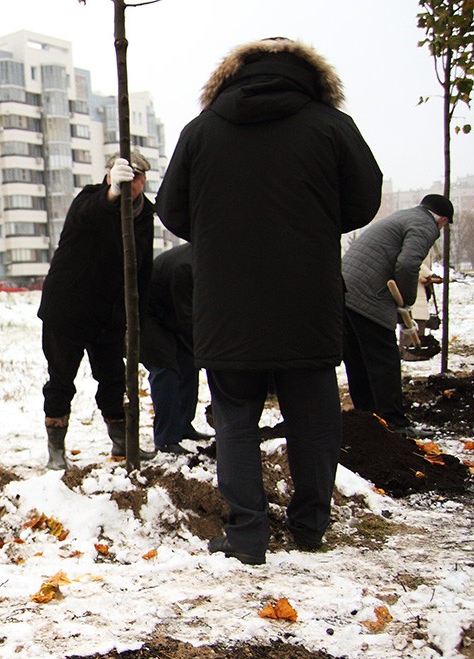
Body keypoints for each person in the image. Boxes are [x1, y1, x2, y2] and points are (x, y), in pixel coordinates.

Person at [157, 37, 383, 565]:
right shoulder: (331, 125)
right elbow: (364, 199)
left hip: (227, 306)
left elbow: (172, 210)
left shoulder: (202, 131)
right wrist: (316, 220)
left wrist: (218, 231)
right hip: (308, 299)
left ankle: (247, 533)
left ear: (232, 77)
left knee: (234, 417)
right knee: (314, 416)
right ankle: (309, 527)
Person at [37, 150, 156, 470]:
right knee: (61, 379)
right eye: (126, 179)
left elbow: (143, 269)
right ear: (111, 175)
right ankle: (56, 448)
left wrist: (138, 320)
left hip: (110, 313)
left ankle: (121, 440)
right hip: (69, 308)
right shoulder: (90, 200)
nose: (133, 185)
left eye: (138, 179)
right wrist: (111, 193)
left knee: (113, 377)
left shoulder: (146, 214)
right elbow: (87, 215)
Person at [342, 195, 453, 437]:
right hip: (368, 294)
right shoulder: (425, 225)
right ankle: (395, 423)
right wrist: (407, 301)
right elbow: (408, 263)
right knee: (385, 358)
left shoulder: (404, 216)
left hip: (344, 290)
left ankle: (368, 418)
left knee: (359, 358)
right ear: (442, 220)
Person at [138, 243, 213, 454]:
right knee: (166, 370)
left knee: (189, 364)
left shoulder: (204, 259)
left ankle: (182, 425)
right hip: (147, 316)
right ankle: (166, 439)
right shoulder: (185, 266)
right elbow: (187, 317)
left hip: (170, 314)